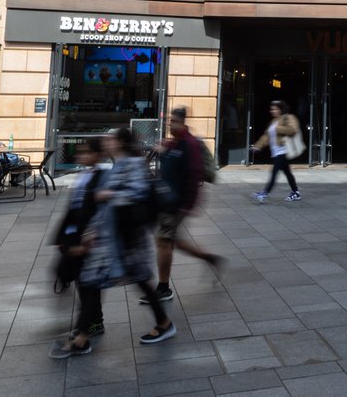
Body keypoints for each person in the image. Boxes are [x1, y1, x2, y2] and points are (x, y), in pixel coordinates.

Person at [51, 128, 174, 358]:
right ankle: (85, 335)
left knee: (98, 280)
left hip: (127, 238)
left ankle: (83, 337)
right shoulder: (119, 164)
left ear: (119, 143)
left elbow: (137, 194)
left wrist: (107, 196)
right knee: (110, 281)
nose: (106, 142)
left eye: (110, 139)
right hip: (114, 237)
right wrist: (94, 229)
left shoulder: (133, 164)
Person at [143, 107, 224, 305]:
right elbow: (170, 169)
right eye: (169, 122)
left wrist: (186, 206)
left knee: (163, 241)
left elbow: (194, 174)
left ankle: (163, 288)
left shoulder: (189, 144)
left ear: (182, 122)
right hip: (167, 200)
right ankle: (210, 258)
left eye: (173, 122)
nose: (170, 125)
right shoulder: (173, 143)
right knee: (171, 241)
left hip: (176, 203)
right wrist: (163, 152)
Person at [53, 137, 106, 338]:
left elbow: (99, 211)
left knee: (88, 283)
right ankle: (90, 322)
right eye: (81, 152)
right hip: (75, 236)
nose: (81, 156)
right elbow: (73, 207)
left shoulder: (101, 177)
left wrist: (90, 237)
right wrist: (61, 235)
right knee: (77, 279)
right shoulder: (83, 175)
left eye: (86, 152)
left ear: (97, 155)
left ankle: (90, 325)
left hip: (88, 240)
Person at [251, 101, 301, 204]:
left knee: (274, 172)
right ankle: (296, 192)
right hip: (276, 151)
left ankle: (264, 193)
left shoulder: (288, 117)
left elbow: (293, 129)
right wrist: (258, 146)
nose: (272, 111)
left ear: (281, 109)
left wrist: (278, 128)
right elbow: (266, 136)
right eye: (271, 109)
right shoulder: (273, 121)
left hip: (284, 150)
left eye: (275, 109)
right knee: (288, 173)